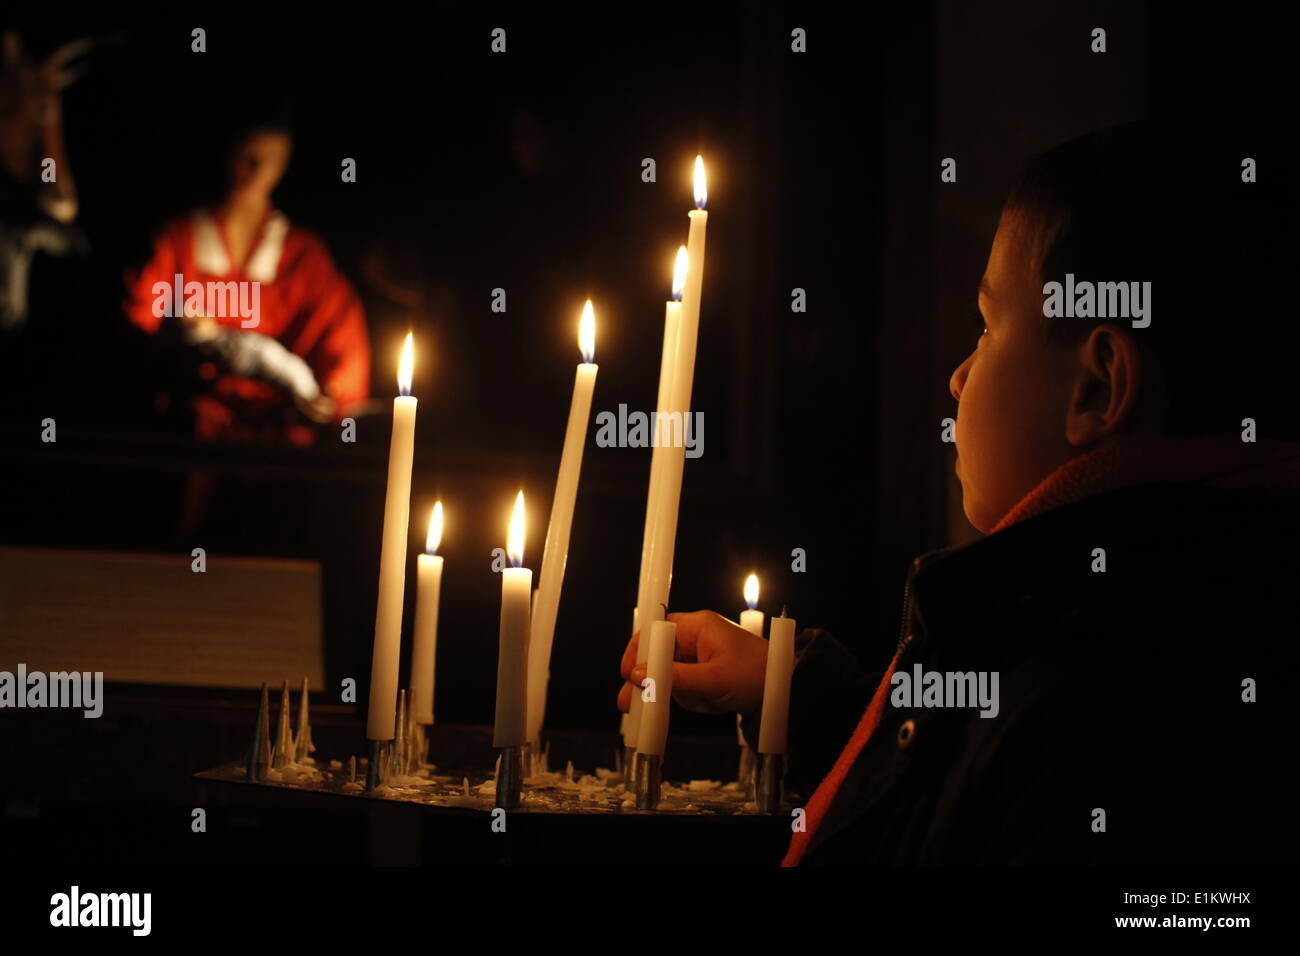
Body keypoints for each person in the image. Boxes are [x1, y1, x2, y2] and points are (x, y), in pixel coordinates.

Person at [618, 121, 1300, 866]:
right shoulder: (1170, 606)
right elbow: (963, 764)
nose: (958, 377)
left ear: (1098, 386)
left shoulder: (1107, 699)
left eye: (987, 326)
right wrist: (796, 693)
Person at [124, 117, 369, 444]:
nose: (257, 170)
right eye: (248, 156)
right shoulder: (177, 240)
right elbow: (134, 330)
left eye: (273, 159)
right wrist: (177, 340)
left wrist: (332, 392)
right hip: (189, 431)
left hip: (277, 437)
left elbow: (341, 341)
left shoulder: (303, 257)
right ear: (226, 151)